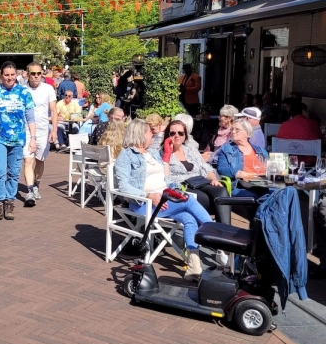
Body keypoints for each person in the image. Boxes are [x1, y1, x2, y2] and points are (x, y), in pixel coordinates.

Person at [114, 118, 212, 278]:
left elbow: (165, 178)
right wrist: (149, 196)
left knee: (189, 219)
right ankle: (216, 236)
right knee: (188, 200)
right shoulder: (126, 155)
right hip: (144, 203)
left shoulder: (152, 153)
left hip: (164, 199)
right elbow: (124, 186)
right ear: (139, 134)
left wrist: (174, 189)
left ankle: (194, 267)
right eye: (149, 132)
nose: (153, 135)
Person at [0, 61, 36, 223]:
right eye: (6, 75)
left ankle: (9, 203)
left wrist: (33, 138)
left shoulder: (23, 92)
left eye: (12, 75)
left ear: (16, 75)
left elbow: (30, 117)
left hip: (17, 138)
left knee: (13, 172)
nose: (9, 78)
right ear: (1, 75)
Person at [162, 119, 229, 221]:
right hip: (182, 186)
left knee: (221, 191)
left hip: (199, 181)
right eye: (172, 133)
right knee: (204, 198)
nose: (177, 136)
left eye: (180, 133)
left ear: (185, 136)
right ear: (167, 135)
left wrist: (214, 179)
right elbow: (165, 176)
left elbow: (204, 167)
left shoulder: (191, 149)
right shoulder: (162, 153)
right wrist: (167, 154)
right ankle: (210, 226)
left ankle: (225, 228)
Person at [22, 62, 58, 205]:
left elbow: (54, 110)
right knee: (28, 160)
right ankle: (30, 191)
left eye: (39, 73)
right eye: (33, 73)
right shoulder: (22, 90)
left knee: (39, 160)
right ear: (28, 74)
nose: (36, 76)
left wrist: (54, 130)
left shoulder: (48, 89)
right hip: (26, 129)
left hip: (43, 129)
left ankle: (36, 184)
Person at [215, 118, 269, 197]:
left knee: (282, 193)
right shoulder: (227, 149)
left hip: (263, 184)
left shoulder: (261, 151)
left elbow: (270, 170)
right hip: (242, 186)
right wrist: (239, 174)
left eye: (237, 130)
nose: (233, 132)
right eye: (232, 129)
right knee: (257, 197)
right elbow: (222, 169)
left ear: (247, 133)